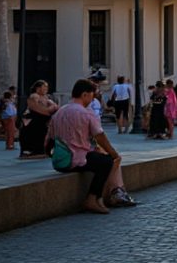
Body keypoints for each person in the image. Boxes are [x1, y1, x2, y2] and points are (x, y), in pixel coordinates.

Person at [48, 79, 135, 214]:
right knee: (107, 161)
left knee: (99, 158)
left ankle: (108, 195)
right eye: (92, 95)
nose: (92, 99)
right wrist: (114, 153)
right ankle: (94, 198)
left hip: (60, 161)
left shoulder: (59, 112)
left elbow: (49, 139)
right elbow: (100, 137)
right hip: (76, 160)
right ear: (85, 95)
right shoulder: (86, 113)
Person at [20, 80, 57, 158]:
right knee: (34, 136)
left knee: (44, 136)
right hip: (35, 121)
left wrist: (51, 108)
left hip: (43, 122)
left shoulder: (48, 97)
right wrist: (49, 110)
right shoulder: (34, 96)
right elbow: (37, 107)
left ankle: (42, 150)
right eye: (44, 86)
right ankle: (32, 152)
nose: (46, 88)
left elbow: (55, 107)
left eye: (47, 86)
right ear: (38, 88)